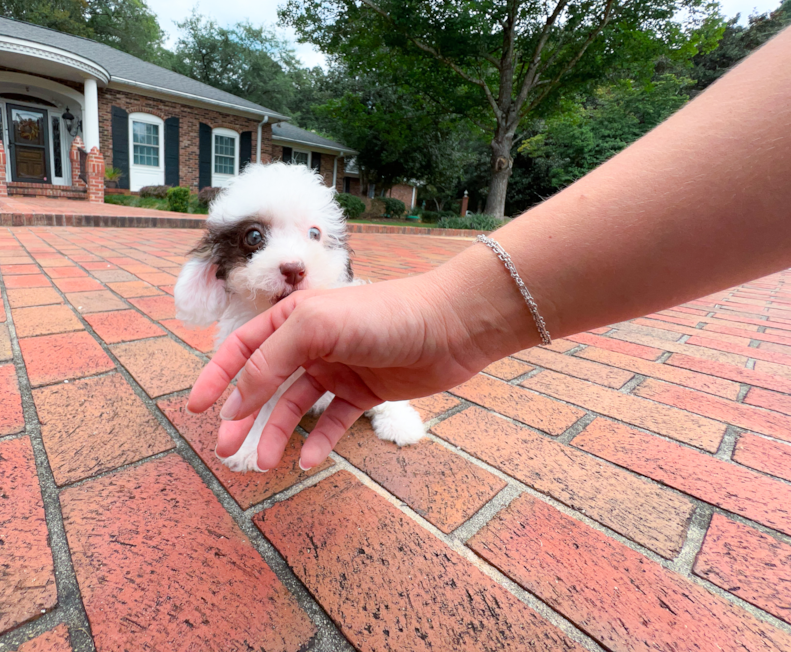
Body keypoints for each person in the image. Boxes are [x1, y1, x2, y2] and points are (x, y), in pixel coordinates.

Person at [186, 24, 791, 473]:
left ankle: (385, 403)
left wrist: (445, 323)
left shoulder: (342, 295)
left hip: (348, 366)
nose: (293, 260)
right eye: (258, 239)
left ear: (337, 251)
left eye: (315, 236)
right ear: (219, 265)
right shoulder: (227, 300)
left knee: (369, 379)